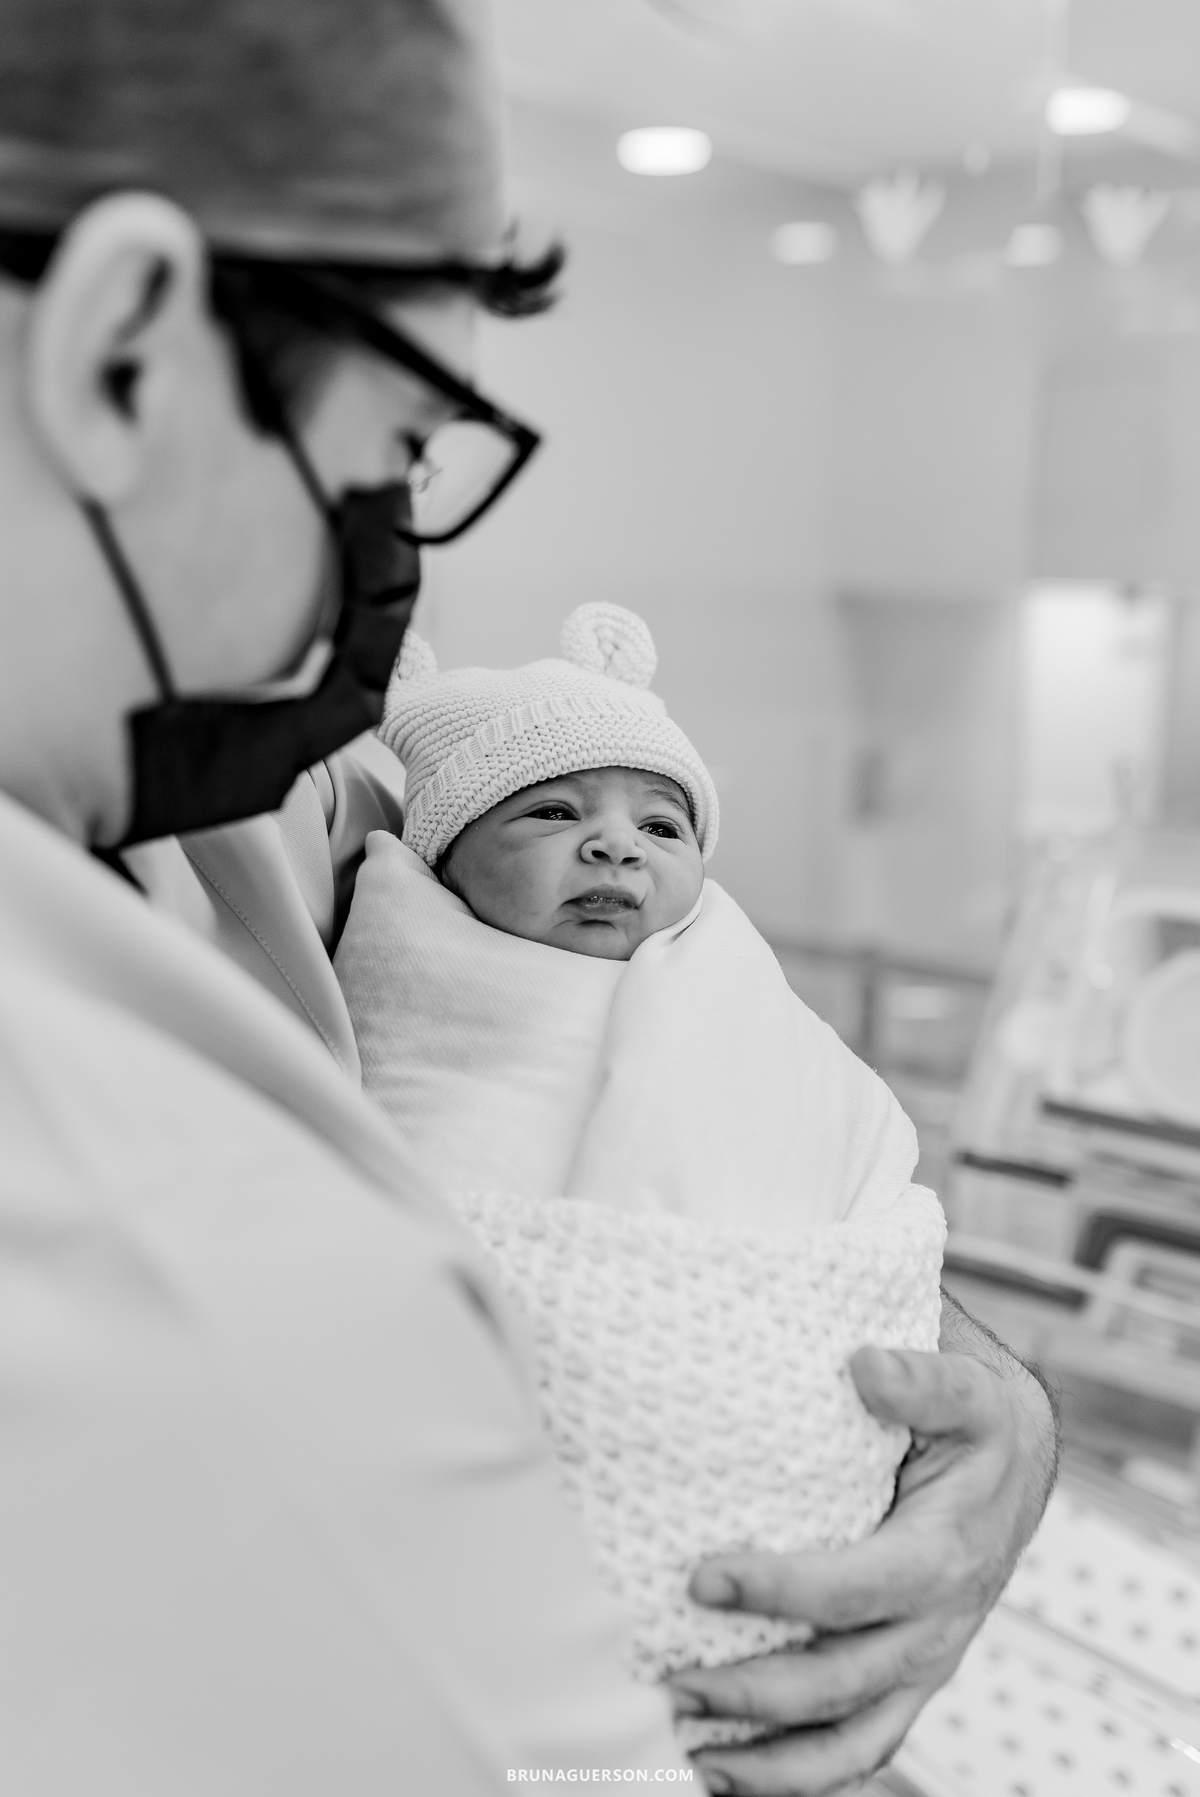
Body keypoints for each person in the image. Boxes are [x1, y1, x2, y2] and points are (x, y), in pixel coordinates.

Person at [0, 2, 1058, 1792]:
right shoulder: (112, 1197)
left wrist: (964, 1396)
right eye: (399, 448)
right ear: (123, 347)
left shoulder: (253, 787)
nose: (391, 559)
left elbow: (596, 1065)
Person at [333, 603, 949, 1743]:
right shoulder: (420, 984)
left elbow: (853, 1151)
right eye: (552, 812)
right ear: (445, 857)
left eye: (662, 826)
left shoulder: (734, 998)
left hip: (746, 1432)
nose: (616, 846)